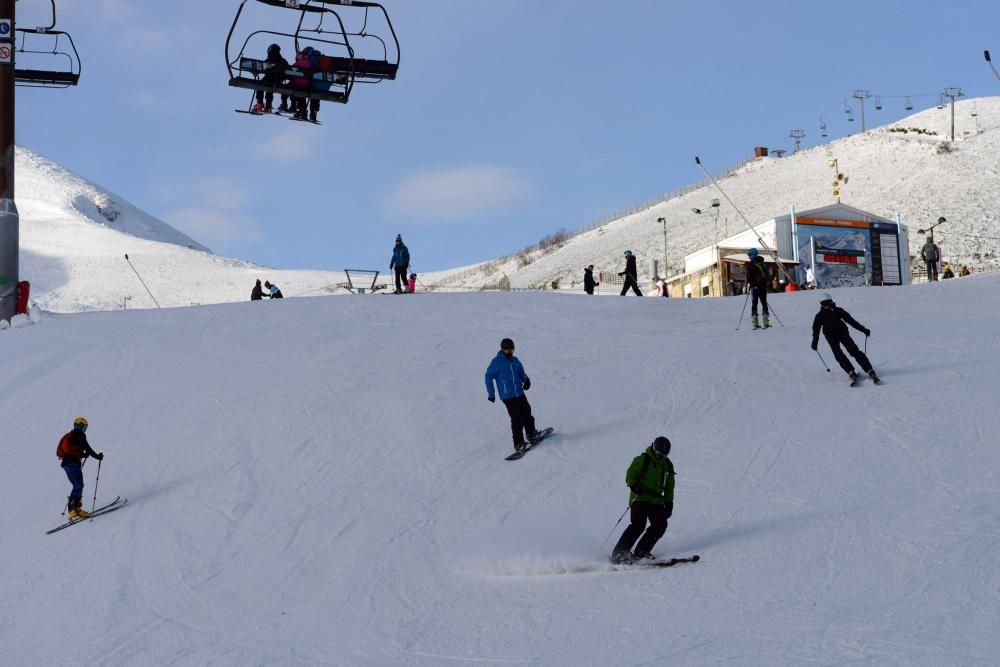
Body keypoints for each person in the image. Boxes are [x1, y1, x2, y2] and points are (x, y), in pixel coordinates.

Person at [611, 436, 676, 564]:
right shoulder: (643, 459)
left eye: (664, 455)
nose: (660, 457)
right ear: (653, 448)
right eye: (658, 453)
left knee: (660, 525)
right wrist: (634, 485)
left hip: (656, 501)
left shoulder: (668, 465)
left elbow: (670, 486)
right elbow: (631, 475)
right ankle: (618, 554)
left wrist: (669, 503)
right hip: (640, 498)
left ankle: (641, 551)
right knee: (638, 526)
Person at [484, 338, 540, 455]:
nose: (510, 353)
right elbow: (488, 376)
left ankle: (531, 434)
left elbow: (521, 373)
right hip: (507, 396)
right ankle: (519, 443)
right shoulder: (496, 362)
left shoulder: (515, 360)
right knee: (517, 418)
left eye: (511, 350)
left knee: (527, 413)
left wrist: (526, 380)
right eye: (507, 351)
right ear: (502, 350)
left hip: (519, 392)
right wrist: (491, 393)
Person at [811, 292, 878, 384]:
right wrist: (815, 342)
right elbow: (816, 330)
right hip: (831, 337)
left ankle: (869, 369)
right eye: (824, 303)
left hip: (843, 333)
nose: (826, 305)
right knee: (838, 355)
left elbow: (851, 321)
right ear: (821, 304)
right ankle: (850, 371)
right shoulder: (819, 316)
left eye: (828, 302)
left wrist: (863, 329)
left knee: (853, 350)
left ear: (831, 302)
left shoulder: (838, 311)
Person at [57, 417, 104, 518]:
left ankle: (73, 510)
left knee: (77, 485)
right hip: (73, 463)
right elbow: (87, 447)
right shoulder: (79, 434)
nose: (85, 429)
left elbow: (70, 451)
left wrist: (83, 455)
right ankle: (75, 509)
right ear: (80, 425)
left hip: (66, 464)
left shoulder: (71, 435)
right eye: (84, 427)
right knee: (79, 485)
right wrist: (97, 457)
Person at [252, 43, 290, 113]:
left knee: (261, 85)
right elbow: (288, 72)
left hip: (268, 80)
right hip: (278, 81)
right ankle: (268, 105)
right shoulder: (283, 61)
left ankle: (260, 103)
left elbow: (261, 68)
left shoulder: (269, 59)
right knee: (270, 87)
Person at [746, 248, 770, 329]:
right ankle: (766, 322)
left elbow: (749, 277)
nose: (749, 257)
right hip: (763, 286)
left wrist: (752, 285)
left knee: (754, 304)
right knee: (764, 303)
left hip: (755, 287)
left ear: (753, 255)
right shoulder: (762, 263)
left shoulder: (751, 265)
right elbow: (767, 275)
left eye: (749, 255)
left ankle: (755, 323)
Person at [289, 50, 313, 121]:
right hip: (306, 85)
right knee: (302, 96)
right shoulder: (309, 63)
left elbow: (290, 72)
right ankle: (303, 111)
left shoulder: (297, 64)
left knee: (290, 90)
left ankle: (293, 107)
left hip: (297, 84)